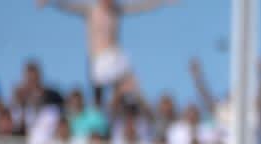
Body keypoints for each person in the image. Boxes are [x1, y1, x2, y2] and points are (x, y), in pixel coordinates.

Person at [38, 0, 177, 102]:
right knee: (99, 95)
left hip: (114, 57)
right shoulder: (91, 11)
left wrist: (161, 2)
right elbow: (69, 6)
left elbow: (140, 6)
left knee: (130, 86)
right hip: (98, 59)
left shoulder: (116, 10)